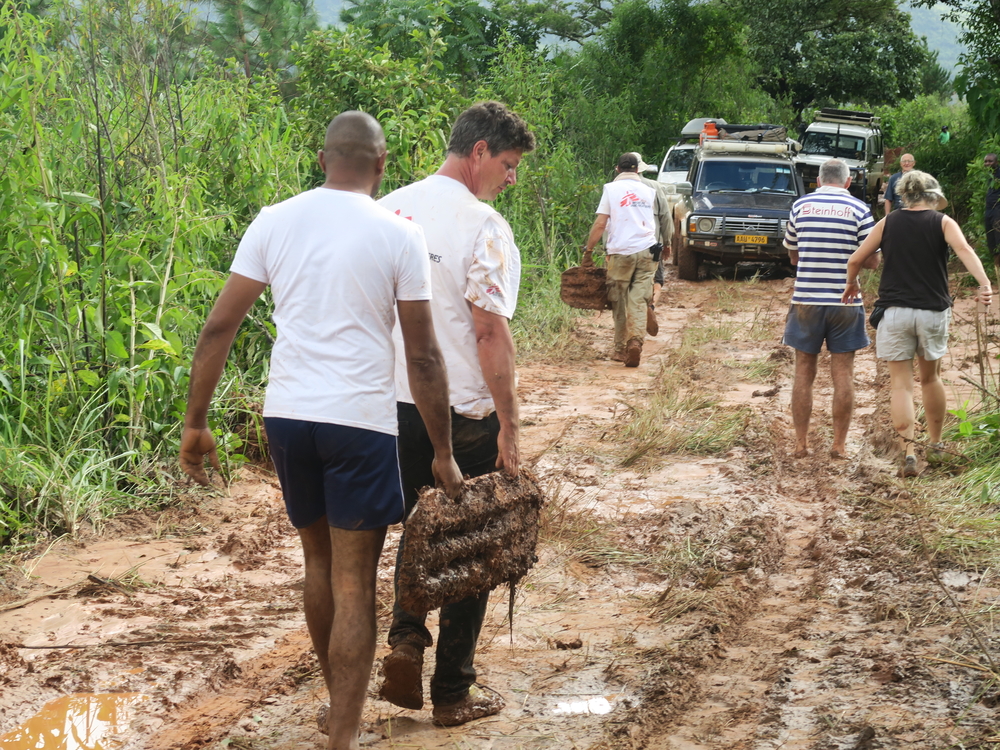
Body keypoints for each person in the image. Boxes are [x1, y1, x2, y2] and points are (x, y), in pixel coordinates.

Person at [178, 111, 463, 749]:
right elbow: (422, 357)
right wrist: (442, 451)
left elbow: (218, 327)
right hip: (358, 421)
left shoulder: (274, 220)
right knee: (356, 580)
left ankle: (341, 705)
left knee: (317, 560)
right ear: (383, 164)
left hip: (287, 415)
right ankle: (340, 736)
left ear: (320, 157)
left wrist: (195, 422)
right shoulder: (398, 232)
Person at [377, 101, 536, 727]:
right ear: (478, 153)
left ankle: (405, 639)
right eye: (508, 163)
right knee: (473, 544)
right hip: (463, 412)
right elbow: (489, 331)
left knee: (420, 525)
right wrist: (511, 426)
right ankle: (452, 692)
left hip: (388, 404)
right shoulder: (484, 225)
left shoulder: (389, 207)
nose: (512, 176)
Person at [843, 170, 993, 477]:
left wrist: (852, 285)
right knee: (930, 378)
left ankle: (909, 453)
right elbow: (964, 250)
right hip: (932, 312)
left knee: (901, 384)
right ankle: (936, 443)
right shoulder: (943, 222)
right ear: (933, 197)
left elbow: (855, 259)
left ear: (904, 197)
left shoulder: (888, 222)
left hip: (895, 313)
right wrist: (985, 284)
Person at [782, 158, 879, 460]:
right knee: (843, 373)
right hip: (846, 303)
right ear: (848, 182)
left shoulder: (800, 207)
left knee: (803, 371)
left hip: (806, 300)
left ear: (819, 180)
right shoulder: (861, 210)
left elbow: (793, 258)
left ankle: (800, 443)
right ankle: (838, 445)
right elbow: (874, 261)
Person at [582, 152, 659, 366]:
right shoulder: (649, 191)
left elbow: (600, 224)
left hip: (620, 253)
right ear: (637, 170)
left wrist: (588, 252)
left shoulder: (611, 189)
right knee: (638, 298)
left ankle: (619, 349)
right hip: (648, 251)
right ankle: (635, 341)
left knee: (619, 300)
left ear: (617, 169)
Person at [627, 152, 675, 337]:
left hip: (625, 245)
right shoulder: (654, 187)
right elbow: (665, 217)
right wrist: (668, 242)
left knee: (629, 281)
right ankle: (650, 305)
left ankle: (631, 315)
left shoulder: (616, 188)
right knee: (657, 279)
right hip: (653, 244)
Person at [984, 153, 1000, 281]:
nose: (988, 164)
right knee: (992, 244)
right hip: (988, 211)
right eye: (986, 162)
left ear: (997, 162)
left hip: (998, 210)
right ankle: (997, 275)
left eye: (990, 161)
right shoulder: (987, 176)